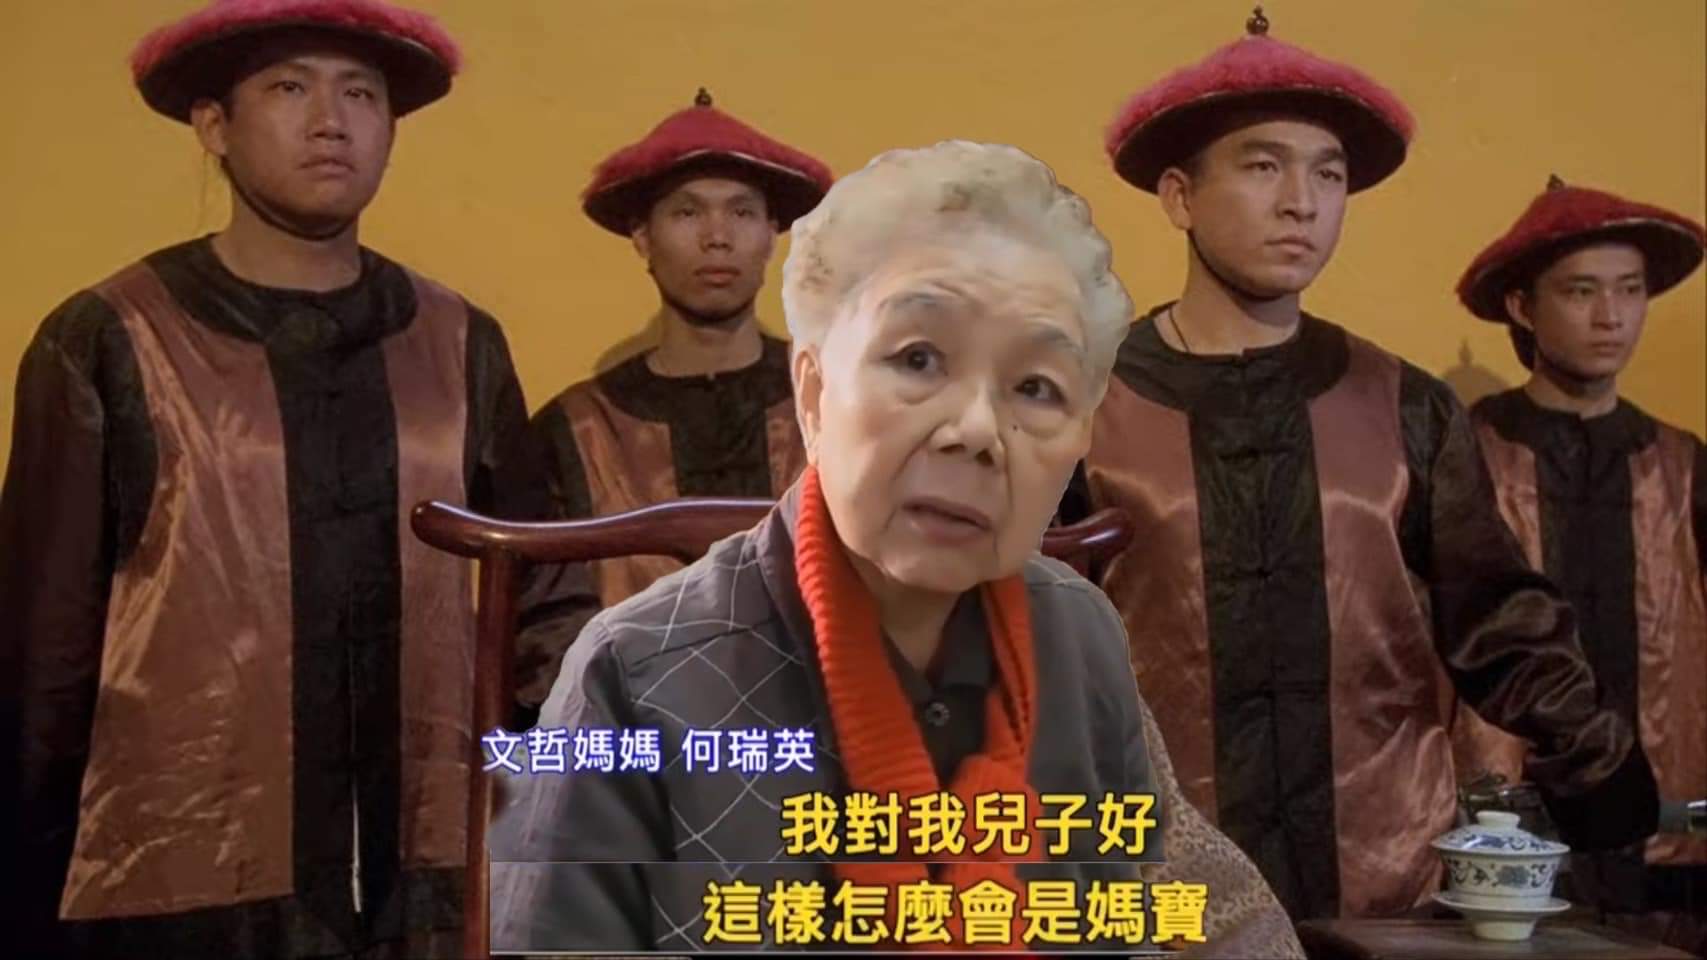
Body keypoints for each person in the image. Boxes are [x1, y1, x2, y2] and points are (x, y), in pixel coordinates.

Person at [488, 141, 1303, 957]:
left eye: (1035, 387)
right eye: (918, 359)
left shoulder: (1076, 630)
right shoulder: (635, 674)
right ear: (812, 393)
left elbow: (1195, 902)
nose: (977, 431)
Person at [1055, 7, 1660, 921]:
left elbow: (1495, 615)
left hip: (1382, 881)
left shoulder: (1404, 403)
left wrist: (1593, 760)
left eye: (1327, 173)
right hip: (1162, 876)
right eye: (1262, 166)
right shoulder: (1083, 404)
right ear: (1178, 196)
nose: (1301, 201)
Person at [0, 1, 534, 956]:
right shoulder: (112, 338)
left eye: (360, 94)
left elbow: (533, 603)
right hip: (181, 882)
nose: (331, 122)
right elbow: (46, 645)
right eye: (290, 88)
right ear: (214, 125)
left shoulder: (461, 344)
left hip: (432, 882)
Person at [508, 90, 833, 730]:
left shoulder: (842, 409)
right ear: (642, 237)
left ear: (773, 233)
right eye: (687, 212)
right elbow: (543, 636)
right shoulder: (577, 430)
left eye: (742, 211)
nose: (717, 237)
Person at [1450, 174, 1706, 954]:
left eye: (1629, 290)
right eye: (1581, 291)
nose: (1610, 316)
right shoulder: (1465, 454)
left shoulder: (1681, 466)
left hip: (1664, 842)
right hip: (1501, 823)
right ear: (1521, 307)